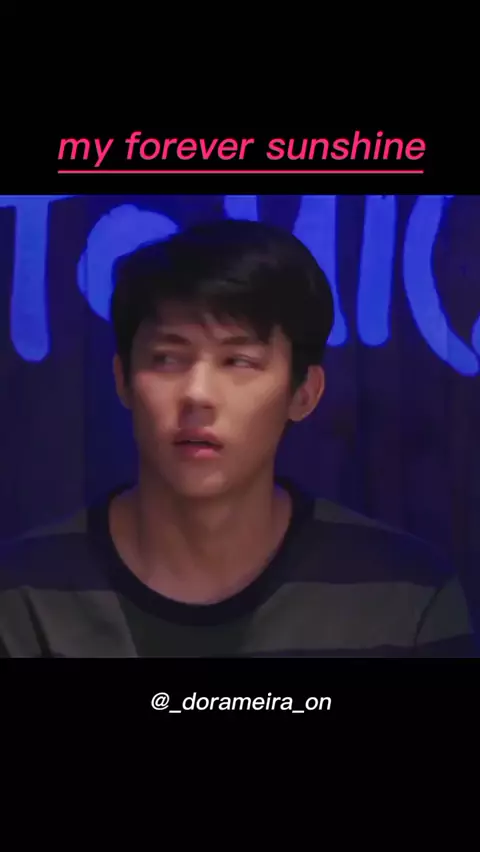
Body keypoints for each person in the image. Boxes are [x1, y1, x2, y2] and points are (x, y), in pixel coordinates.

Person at [0, 219, 476, 657]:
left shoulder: (403, 595)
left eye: (239, 362)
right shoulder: (22, 595)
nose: (198, 394)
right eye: (167, 358)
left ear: (303, 393)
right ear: (122, 379)